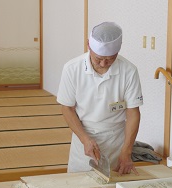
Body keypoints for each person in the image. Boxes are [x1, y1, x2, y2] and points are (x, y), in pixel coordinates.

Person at [57, 22, 143, 175]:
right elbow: (67, 108)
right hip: (83, 135)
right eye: (98, 58)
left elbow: (133, 112)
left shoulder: (129, 70)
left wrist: (127, 151)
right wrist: (85, 140)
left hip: (116, 139)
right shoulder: (72, 69)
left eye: (110, 59)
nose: (104, 63)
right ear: (89, 46)